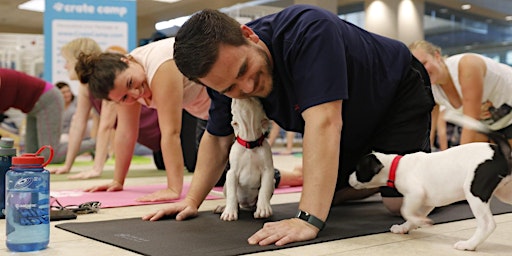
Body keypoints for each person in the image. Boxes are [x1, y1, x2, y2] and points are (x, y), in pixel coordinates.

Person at [141, 5, 435, 247]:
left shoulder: (309, 31)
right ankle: (377, 178)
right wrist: (192, 200)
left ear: (249, 35)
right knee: (329, 194)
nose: (247, 86)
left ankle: (446, 176)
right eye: (230, 87)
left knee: (399, 206)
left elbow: (325, 122)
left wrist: (307, 219)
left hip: (396, 90)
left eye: (245, 70)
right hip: (353, 112)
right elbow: (217, 138)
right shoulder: (222, 77)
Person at [75, 37, 211, 202]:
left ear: (127, 60)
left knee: (228, 177)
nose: (135, 94)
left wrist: (173, 188)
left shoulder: (160, 66)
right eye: (124, 98)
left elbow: (170, 132)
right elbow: (126, 133)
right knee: (215, 177)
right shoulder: (124, 82)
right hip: (208, 112)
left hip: (227, 101)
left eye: (131, 82)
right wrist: (118, 181)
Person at [409, 40, 512, 147]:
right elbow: (429, 128)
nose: (421, 71)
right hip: (491, 125)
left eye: (424, 63)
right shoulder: (430, 87)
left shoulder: (467, 65)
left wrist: (459, 159)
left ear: (437, 56)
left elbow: (471, 120)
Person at [0, 68, 95, 163]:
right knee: (31, 157)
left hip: (48, 100)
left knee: (50, 156)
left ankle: (95, 144)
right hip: (32, 107)